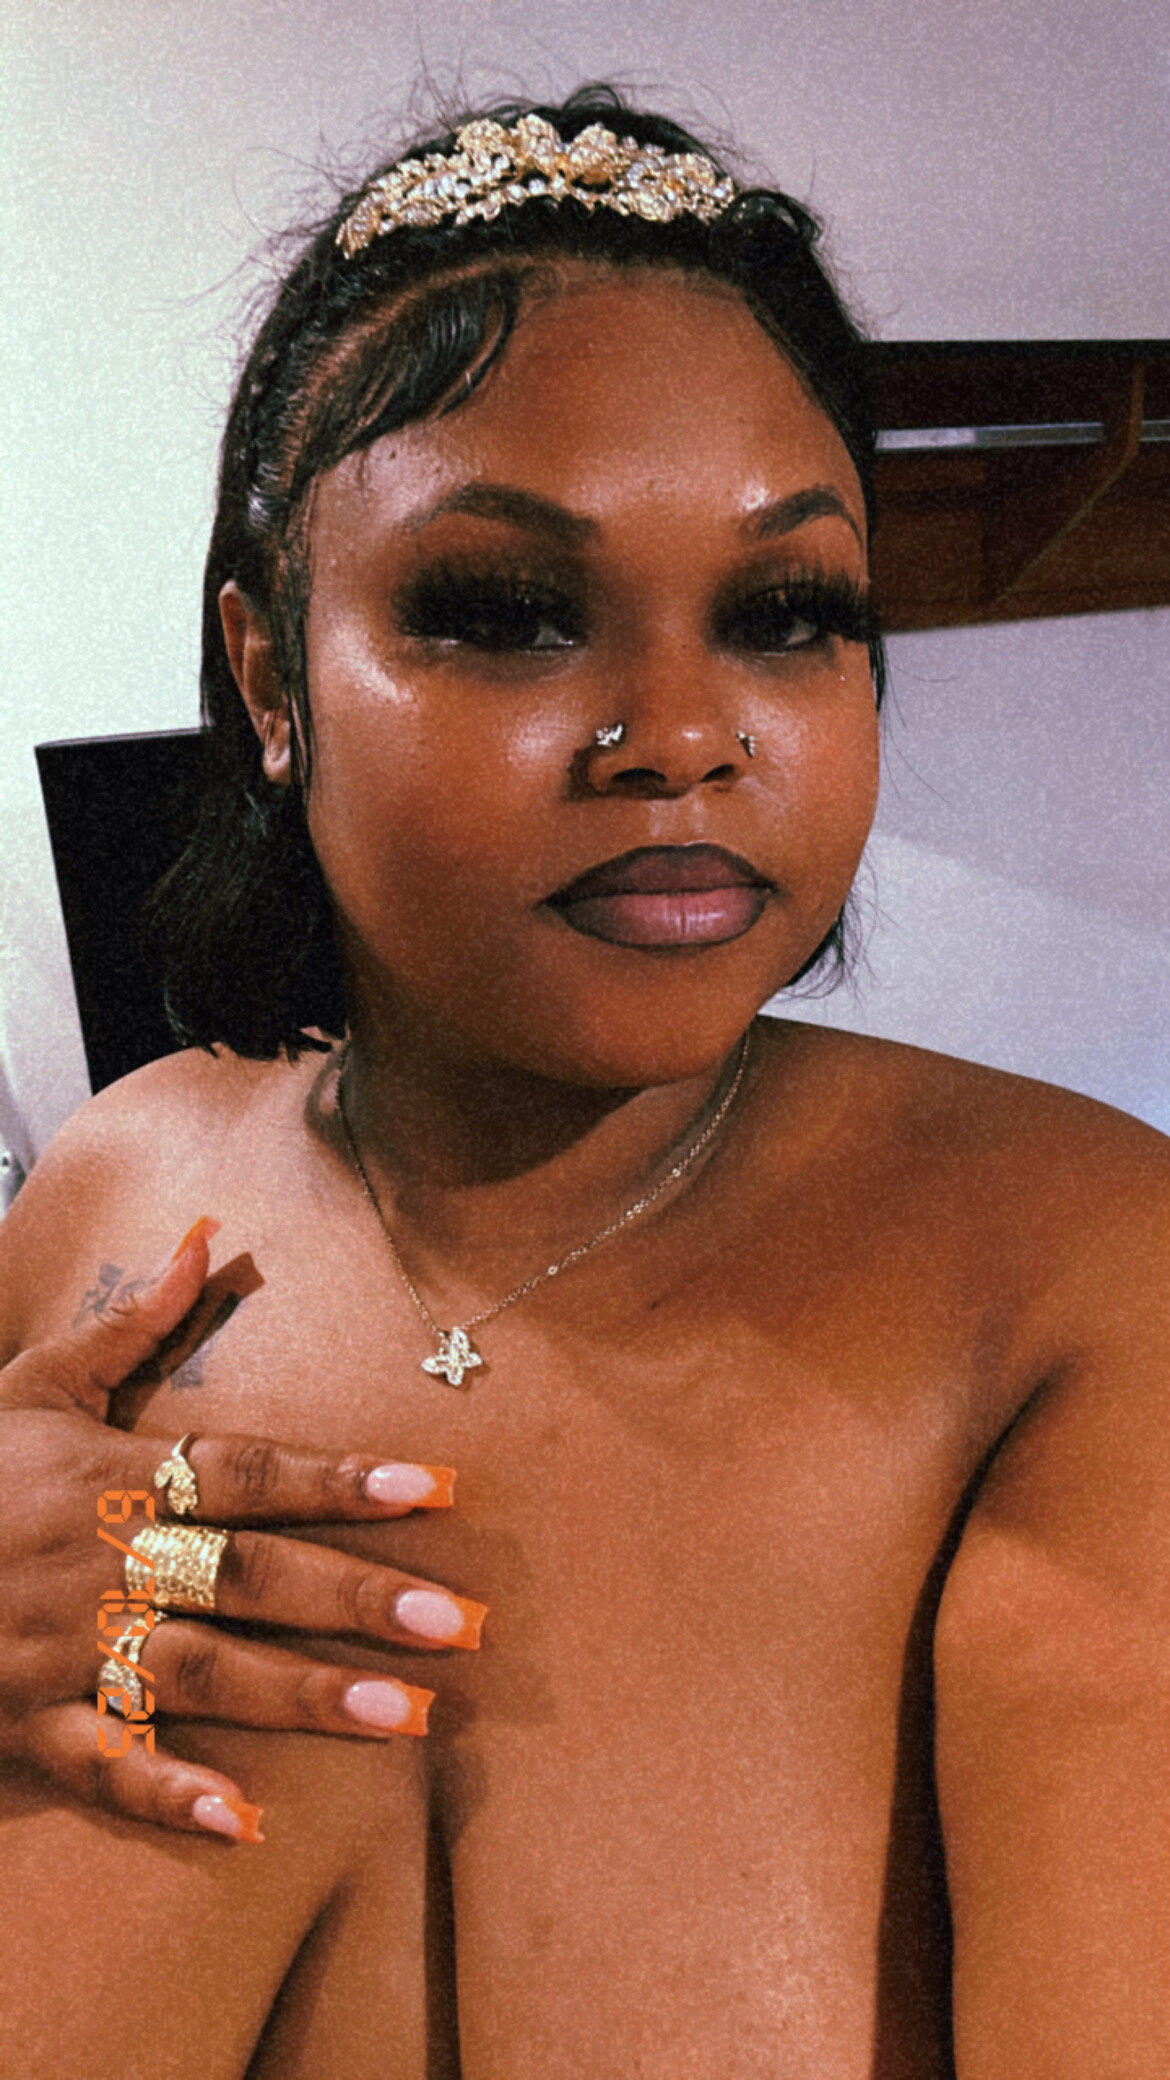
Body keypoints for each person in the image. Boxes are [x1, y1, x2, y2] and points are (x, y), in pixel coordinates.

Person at [1, 85, 1168, 2080]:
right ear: (272, 682)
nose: (682, 733)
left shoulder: (1076, 1275)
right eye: (505, 610)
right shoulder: (120, 1186)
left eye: (785, 615)